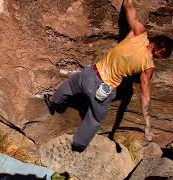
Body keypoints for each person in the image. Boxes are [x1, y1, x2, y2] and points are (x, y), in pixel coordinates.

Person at [44, 0, 173, 152]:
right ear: (159, 50)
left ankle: (53, 101)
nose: (161, 59)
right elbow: (145, 96)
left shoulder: (139, 33)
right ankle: (78, 145)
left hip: (90, 74)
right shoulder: (148, 66)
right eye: (163, 56)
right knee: (95, 118)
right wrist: (147, 124)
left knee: (71, 85)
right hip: (103, 91)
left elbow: (129, 8)